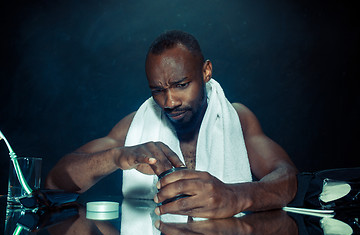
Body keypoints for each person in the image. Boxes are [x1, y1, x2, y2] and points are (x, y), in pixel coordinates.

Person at [46, 30, 298, 219]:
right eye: (158, 90)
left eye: (181, 85)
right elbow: (56, 183)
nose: (169, 101)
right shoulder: (135, 125)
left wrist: (236, 196)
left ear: (206, 71)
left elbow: (287, 177)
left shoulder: (238, 118)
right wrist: (116, 157)